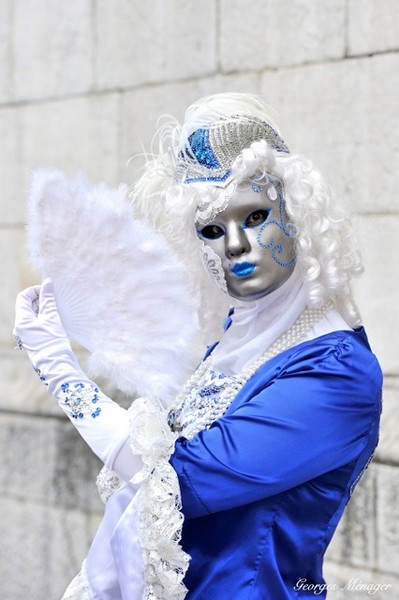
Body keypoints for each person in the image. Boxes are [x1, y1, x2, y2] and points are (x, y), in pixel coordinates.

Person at [13, 93, 382, 600]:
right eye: (212, 228)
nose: (234, 245)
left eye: (254, 217)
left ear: (295, 213)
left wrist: (61, 372)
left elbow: (174, 480)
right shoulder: (239, 341)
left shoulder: (336, 373)